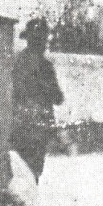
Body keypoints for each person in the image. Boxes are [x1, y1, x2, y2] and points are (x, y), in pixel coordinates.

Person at [11, 18, 64, 183]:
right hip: (38, 128)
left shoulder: (16, 62)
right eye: (43, 39)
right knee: (32, 173)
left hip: (17, 125)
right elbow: (58, 98)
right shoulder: (45, 66)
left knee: (18, 172)